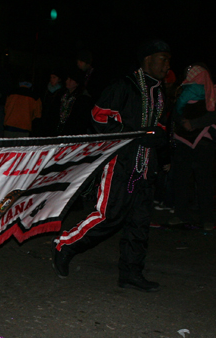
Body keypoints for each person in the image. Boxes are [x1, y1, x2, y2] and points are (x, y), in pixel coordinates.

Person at [53, 39, 170, 292]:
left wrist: (159, 138)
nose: (167, 64)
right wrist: (134, 133)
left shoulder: (160, 92)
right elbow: (98, 116)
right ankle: (66, 244)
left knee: (139, 222)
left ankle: (131, 273)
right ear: (148, 59)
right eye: (163, 58)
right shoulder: (124, 87)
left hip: (146, 166)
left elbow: (159, 127)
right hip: (121, 163)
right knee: (110, 216)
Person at [169, 64, 216, 230]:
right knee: (181, 179)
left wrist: (194, 123)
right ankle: (180, 214)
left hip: (205, 142)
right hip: (183, 139)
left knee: (204, 181)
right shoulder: (183, 90)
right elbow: (175, 112)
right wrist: (183, 123)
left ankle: (206, 218)